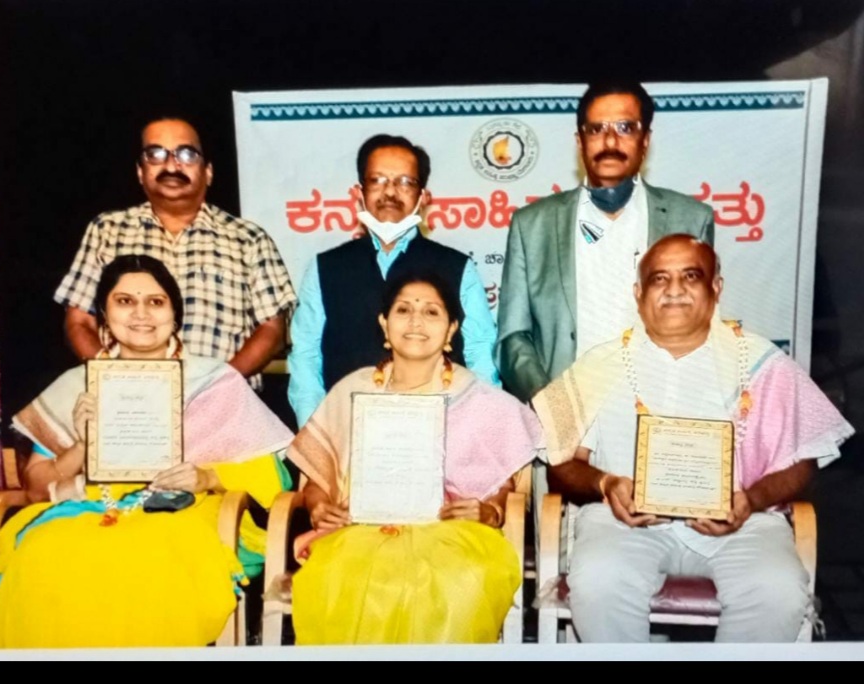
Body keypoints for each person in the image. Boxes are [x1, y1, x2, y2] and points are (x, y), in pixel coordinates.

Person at [532, 234, 854, 642]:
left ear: (716, 288)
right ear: (638, 293)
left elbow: (803, 465)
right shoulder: (600, 363)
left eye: (691, 276)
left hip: (743, 524)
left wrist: (751, 500)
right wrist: (606, 484)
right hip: (623, 524)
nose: (674, 290)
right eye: (659, 279)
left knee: (777, 590)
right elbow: (561, 464)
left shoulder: (763, 363)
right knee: (599, 580)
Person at [0, 255, 294, 648]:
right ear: (103, 317)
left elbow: (273, 474)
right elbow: (37, 487)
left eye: (155, 302)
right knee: (44, 552)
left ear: (175, 316)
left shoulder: (214, 381)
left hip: (185, 514)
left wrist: (208, 477)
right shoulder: (78, 385)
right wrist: (84, 445)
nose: (141, 313)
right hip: (87, 510)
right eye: (125, 301)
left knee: (147, 555)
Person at [286, 272, 542, 644]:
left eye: (431, 312)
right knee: (351, 579)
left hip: (452, 536)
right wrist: (318, 505)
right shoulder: (353, 389)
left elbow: (503, 489)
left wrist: (491, 512)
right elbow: (316, 480)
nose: (416, 321)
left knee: (453, 582)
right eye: (404, 310)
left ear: (451, 329)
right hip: (359, 532)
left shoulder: (481, 400)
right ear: (384, 324)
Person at [498, 81, 715, 404]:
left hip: (660, 412)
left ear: (645, 140)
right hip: (567, 415)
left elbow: (703, 327)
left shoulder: (692, 219)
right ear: (580, 141)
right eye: (597, 129)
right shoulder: (532, 224)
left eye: (625, 128)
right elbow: (513, 337)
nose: (610, 141)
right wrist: (552, 405)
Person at [55, 117, 296, 387]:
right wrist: (115, 377)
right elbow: (79, 322)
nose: (171, 166)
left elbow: (272, 330)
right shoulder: (107, 231)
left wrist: (216, 387)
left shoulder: (248, 239)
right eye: (156, 154)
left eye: (186, 154)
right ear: (140, 171)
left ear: (208, 172)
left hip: (224, 401)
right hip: (124, 400)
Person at [287, 134, 500, 428]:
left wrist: (478, 429)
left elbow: (481, 355)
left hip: (441, 433)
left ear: (423, 197)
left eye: (404, 182)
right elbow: (306, 357)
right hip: (344, 432)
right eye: (377, 180)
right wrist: (316, 435)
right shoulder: (324, 268)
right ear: (359, 192)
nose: (390, 192)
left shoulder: (458, 267)